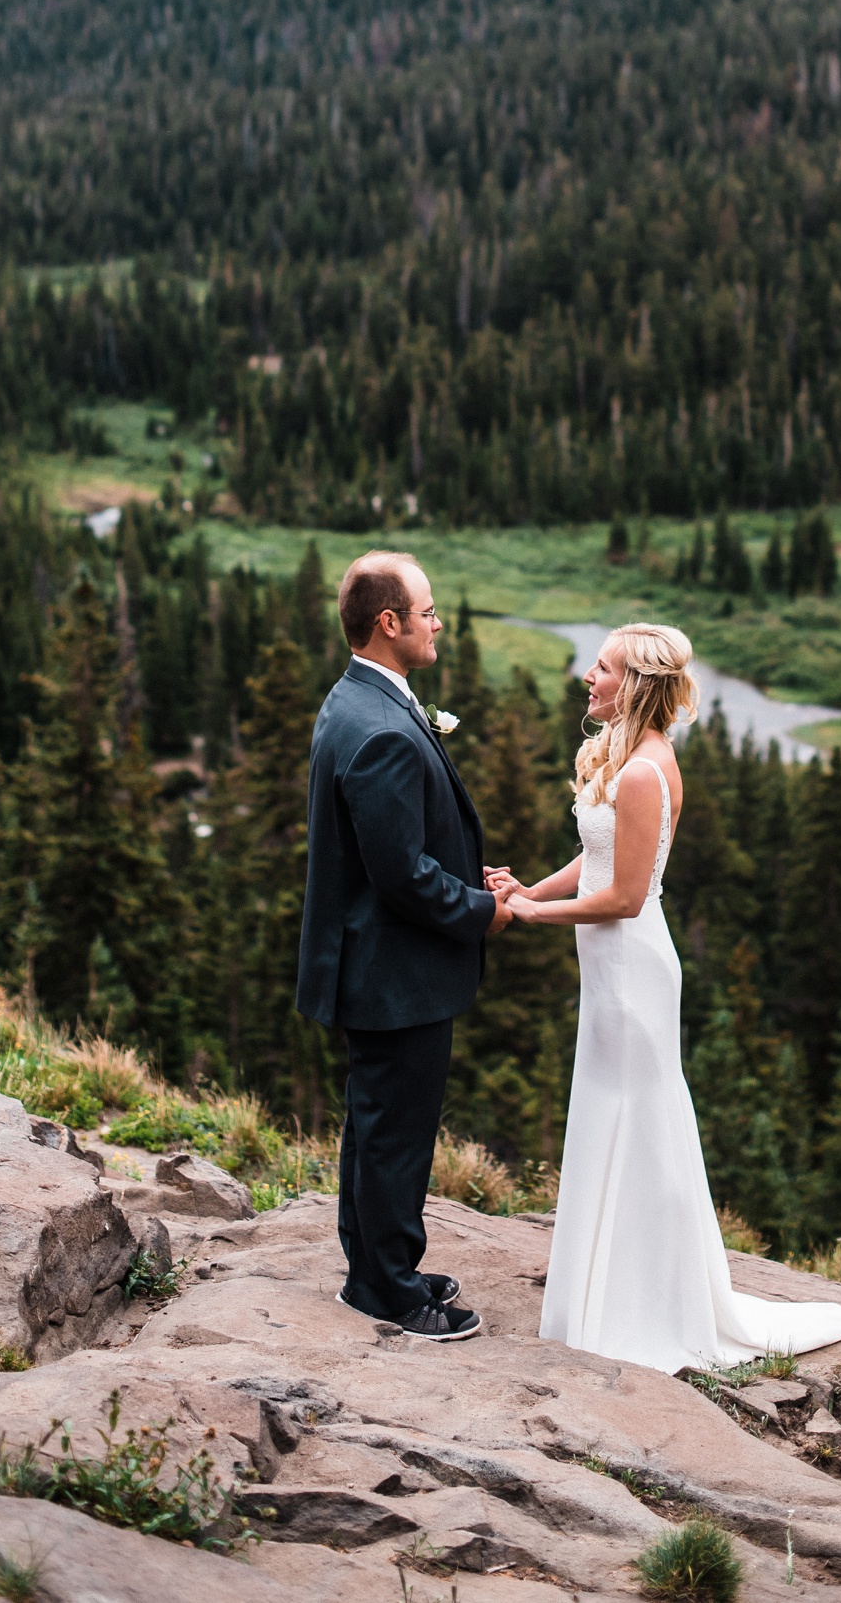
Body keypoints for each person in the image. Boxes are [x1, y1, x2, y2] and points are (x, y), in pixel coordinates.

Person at [492, 622, 841, 1373]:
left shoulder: (644, 772)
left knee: (640, 1118)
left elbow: (624, 896)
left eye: (600, 668)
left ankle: (648, 1303)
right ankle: (607, 1288)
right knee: (608, 1109)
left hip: (631, 969)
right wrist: (533, 887)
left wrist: (530, 915)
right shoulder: (628, 759)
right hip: (611, 969)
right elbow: (594, 857)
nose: (586, 677)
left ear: (632, 684)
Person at [297, 550, 511, 1340]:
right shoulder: (381, 725)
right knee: (396, 1131)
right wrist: (483, 908)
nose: (437, 622)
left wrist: (466, 871)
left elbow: (394, 846)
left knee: (376, 1120)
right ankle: (387, 1288)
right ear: (389, 622)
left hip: (372, 960)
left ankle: (376, 1265)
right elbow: (403, 876)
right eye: (427, 611)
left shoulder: (356, 699)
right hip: (396, 969)